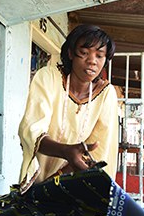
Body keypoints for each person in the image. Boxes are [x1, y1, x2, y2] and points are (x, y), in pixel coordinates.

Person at [18, 24, 119, 194]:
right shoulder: (49, 77)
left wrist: (59, 177)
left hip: (74, 186)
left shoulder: (106, 94)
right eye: (85, 53)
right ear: (71, 53)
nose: (92, 61)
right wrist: (66, 151)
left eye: (99, 56)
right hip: (35, 183)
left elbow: (99, 150)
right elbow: (31, 131)